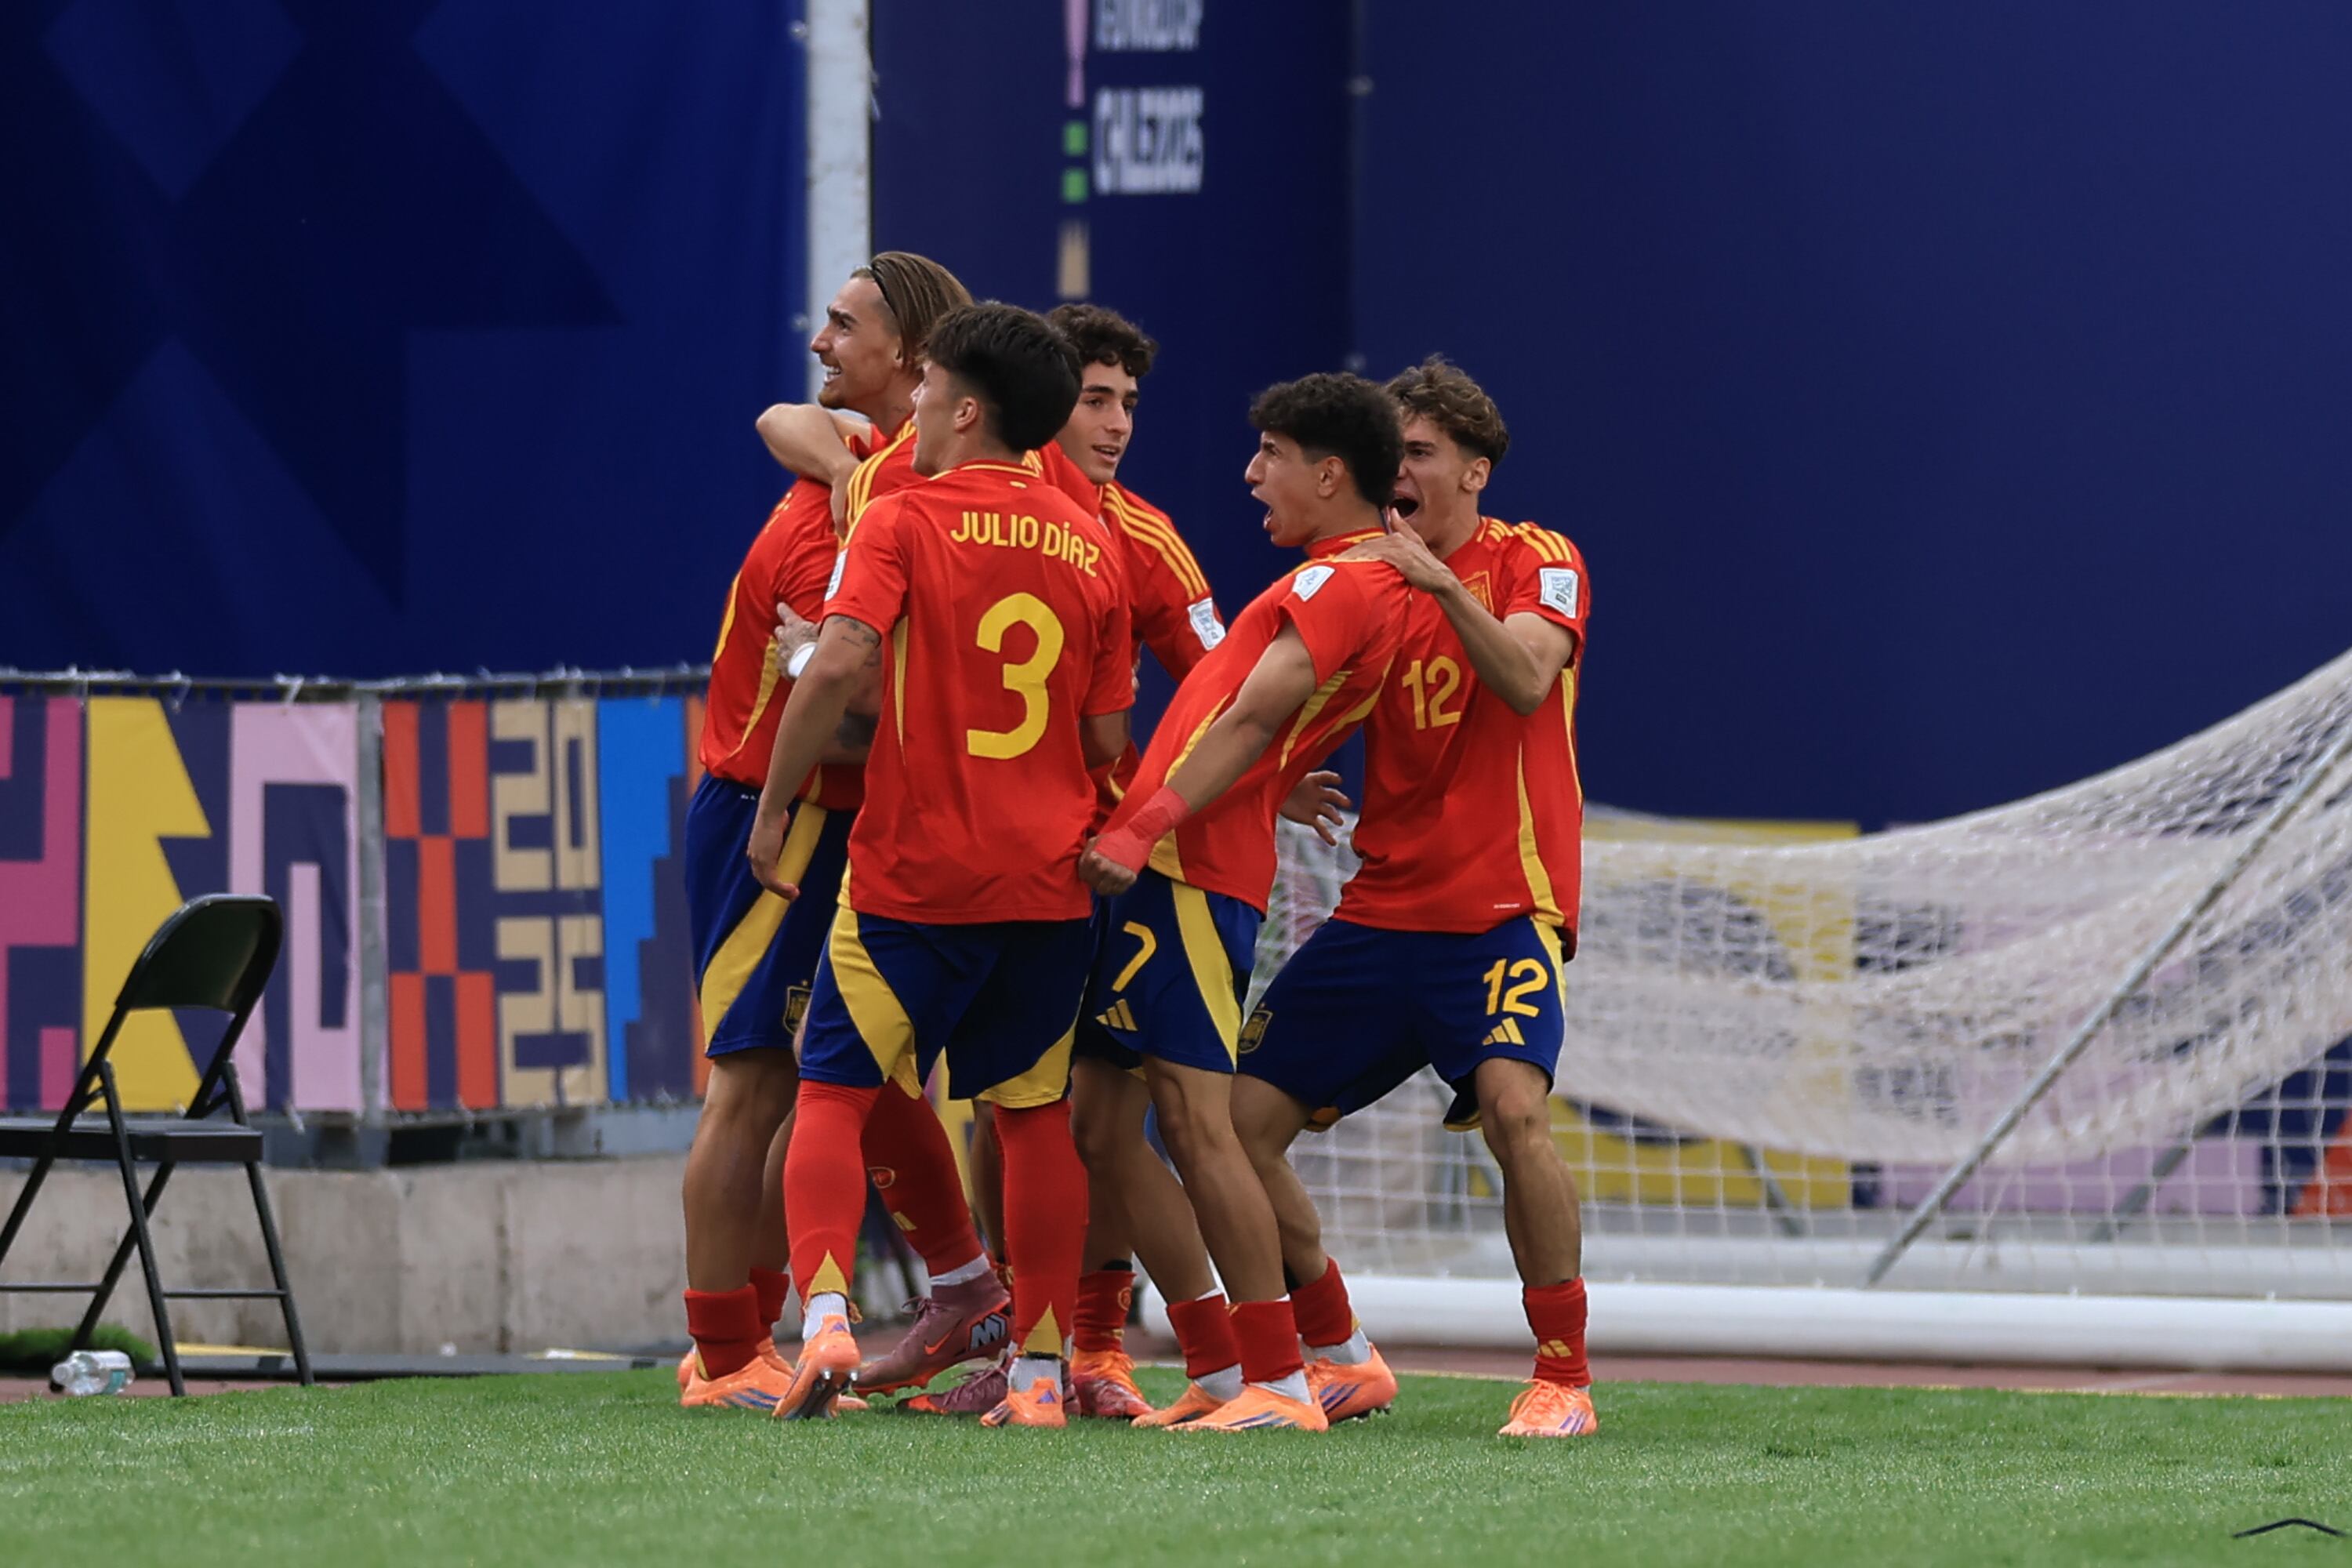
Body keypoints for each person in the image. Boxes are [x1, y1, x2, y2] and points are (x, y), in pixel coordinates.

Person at [750, 303, 1134, 1427]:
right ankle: (1040, 1377)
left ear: (967, 410)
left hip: (914, 874)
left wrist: (773, 807)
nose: (910, 404)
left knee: (832, 1092)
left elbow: (839, 664)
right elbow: (1107, 737)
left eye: (926, 388)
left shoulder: (903, 518)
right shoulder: (1093, 542)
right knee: (1033, 1118)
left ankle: (826, 1319)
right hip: (1048, 883)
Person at [881, 303, 1247, 1421]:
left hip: (1130, 862)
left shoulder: (1140, 534)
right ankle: (1044, 1340)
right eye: (1096, 399)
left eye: (1130, 402)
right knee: (1019, 1110)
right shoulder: (944, 483)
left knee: (1119, 1120)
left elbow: (1232, 681)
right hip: (1023, 861)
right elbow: (813, 436)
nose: (1119, 423)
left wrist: (1252, 774)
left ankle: (1215, 1358)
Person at [1231, 357, 1599, 1439]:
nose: (1403, 472)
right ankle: (1341, 1354)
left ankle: (1564, 1379)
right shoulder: (1368, 583)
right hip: (1380, 911)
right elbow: (1278, 705)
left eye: (1425, 453)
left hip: (1500, 912)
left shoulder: (1537, 557)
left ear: (1476, 471)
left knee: (1515, 1112)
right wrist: (1276, 779)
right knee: (1230, 1131)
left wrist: (1438, 582)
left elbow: (1525, 679)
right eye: (1396, 453)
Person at [1076, 372, 1411, 1433]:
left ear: (1331, 473)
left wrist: (1140, 825)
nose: (1251, 473)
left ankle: (1277, 1378)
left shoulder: (1345, 581)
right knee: (1101, 1125)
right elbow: (1262, 723)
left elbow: (1257, 718)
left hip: (1187, 865)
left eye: (1271, 455)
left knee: (1196, 1121)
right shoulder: (1345, 579)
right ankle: (1231, 1370)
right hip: (1180, 857)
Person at [674, 251, 969, 1412]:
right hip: (780, 819)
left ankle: (779, 1331)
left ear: (910, 356)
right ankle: (723, 1354)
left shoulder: (882, 479)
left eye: (844, 325)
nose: (819, 341)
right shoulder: (849, 509)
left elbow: (788, 422)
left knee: (831, 1089)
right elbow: (845, 716)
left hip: (832, 825)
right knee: (751, 1084)